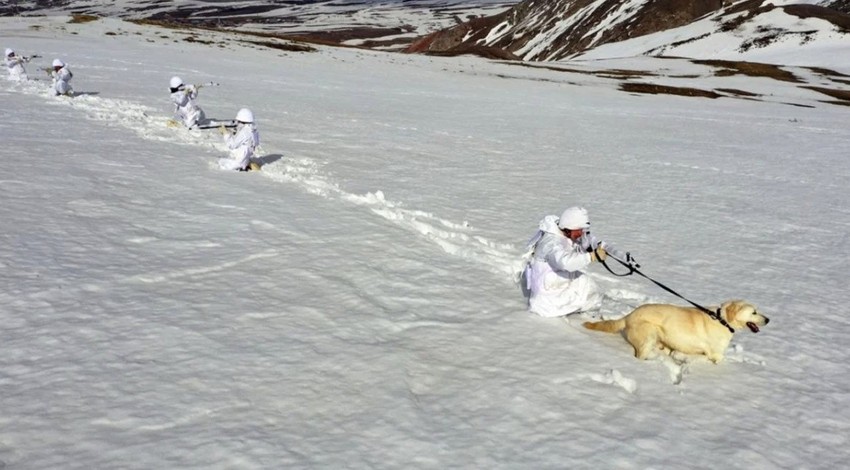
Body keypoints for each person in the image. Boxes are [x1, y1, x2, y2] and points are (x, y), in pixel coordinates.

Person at [521, 206, 635, 318]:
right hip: (547, 300)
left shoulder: (563, 232)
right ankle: (588, 318)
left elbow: (581, 244)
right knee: (587, 291)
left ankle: (588, 313)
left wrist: (597, 248)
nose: (581, 234)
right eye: (579, 230)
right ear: (569, 227)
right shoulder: (552, 243)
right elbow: (565, 262)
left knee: (587, 284)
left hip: (557, 282)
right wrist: (592, 256)